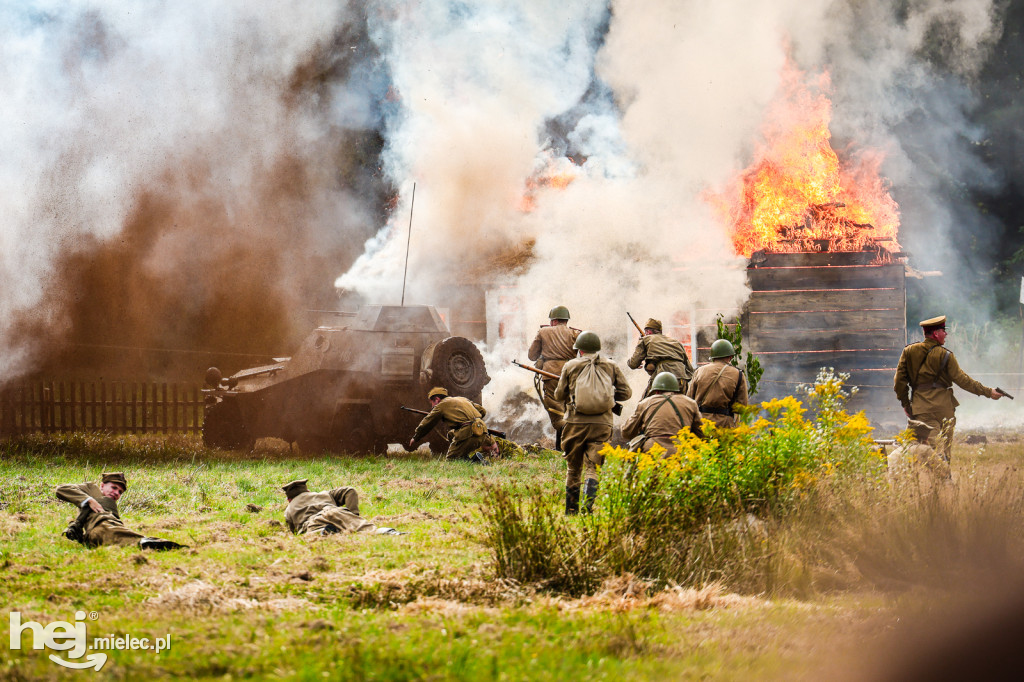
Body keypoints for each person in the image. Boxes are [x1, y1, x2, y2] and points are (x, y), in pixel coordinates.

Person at [893, 315, 1002, 462]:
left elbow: (899, 382)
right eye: (944, 330)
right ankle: (944, 480)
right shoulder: (946, 355)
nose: (946, 334)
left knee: (926, 450)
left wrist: (906, 404)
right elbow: (963, 381)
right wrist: (988, 392)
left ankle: (930, 481)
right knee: (943, 452)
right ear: (936, 333)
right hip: (944, 409)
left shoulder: (909, 351)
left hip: (921, 408)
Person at [553, 331, 631, 515]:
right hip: (602, 424)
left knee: (573, 468)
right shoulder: (611, 365)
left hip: (575, 423)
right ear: (597, 348)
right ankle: (587, 508)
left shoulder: (570, 365)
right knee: (593, 467)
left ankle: (571, 510)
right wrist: (607, 397)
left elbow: (558, 395)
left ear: (579, 349)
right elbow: (626, 393)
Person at [56, 472, 186, 550]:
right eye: (113, 488)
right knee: (108, 529)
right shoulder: (91, 489)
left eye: (120, 492)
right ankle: (144, 543)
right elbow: (61, 489)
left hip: (111, 525)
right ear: (102, 485)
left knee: (119, 531)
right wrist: (89, 500)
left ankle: (150, 542)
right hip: (99, 527)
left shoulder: (111, 506)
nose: (116, 493)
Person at [527, 305, 581, 449]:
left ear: (554, 320)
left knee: (557, 414)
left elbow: (532, 355)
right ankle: (568, 447)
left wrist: (543, 356)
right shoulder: (576, 333)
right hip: (572, 375)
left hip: (551, 376)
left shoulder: (543, 332)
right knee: (570, 411)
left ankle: (563, 448)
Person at [407, 387, 498, 464]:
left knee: (451, 460)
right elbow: (482, 411)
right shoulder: (462, 399)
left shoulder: (441, 406)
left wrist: (416, 437)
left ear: (437, 399)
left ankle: (478, 462)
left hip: (468, 433)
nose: (432, 407)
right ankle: (465, 456)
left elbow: (427, 422)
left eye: (432, 403)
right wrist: (474, 422)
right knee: (451, 434)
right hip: (482, 430)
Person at [282, 479, 401, 535]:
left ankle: (324, 532)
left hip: (312, 523)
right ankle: (390, 533)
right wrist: (353, 516)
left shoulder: (289, 510)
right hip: (336, 512)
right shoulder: (324, 494)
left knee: (309, 535)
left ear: (289, 499)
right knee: (368, 530)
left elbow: (294, 532)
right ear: (307, 490)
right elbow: (350, 490)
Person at [622, 372, 703, 453]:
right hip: (681, 449)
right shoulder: (690, 403)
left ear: (656, 391)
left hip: (652, 449)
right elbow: (701, 432)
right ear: (676, 389)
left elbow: (627, 432)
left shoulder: (645, 403)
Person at [686, 339, 749, 429]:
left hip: (701, 424)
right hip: (725, 426)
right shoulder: (738, 374)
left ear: (712, 356)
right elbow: (742, 407)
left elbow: (689, 400)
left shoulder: (700, 371)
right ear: (730, 356)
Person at [627, 318, 695, 398]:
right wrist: (682, 378)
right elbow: (690, 370)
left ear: (648, 331)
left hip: (662, 379)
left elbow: (633, 364)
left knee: (645, 405)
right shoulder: (675, 342)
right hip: (681, 380)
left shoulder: (646, 339)